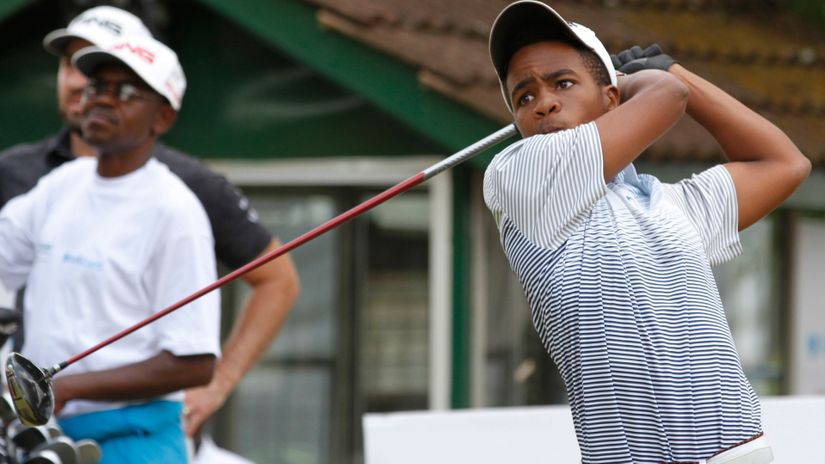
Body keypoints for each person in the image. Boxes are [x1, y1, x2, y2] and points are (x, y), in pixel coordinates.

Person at [483, 1, 811, 463]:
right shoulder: (516, 175)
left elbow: (784, 163)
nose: (545, 104)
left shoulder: (668, 206)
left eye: (563, 83)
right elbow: (667, 97)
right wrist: (651, 75)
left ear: (610, 101)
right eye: (524, 97)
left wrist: (675, 74)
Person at [0, 5, 300, 437]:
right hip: (39, 425)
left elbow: (271, 285)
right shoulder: (45, 181)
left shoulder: (184, 195)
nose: (92, 91)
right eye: (87, 73)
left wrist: (216, 389)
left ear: (162, 115)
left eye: (124, 89)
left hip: (130, 431)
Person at [0, 34, 220, 462]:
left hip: (133, 443)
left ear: (163, 117)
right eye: (97, 87)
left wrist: (66, 388)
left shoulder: (176, 212)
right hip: (45, 438)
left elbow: (195, 363)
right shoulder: (62, 185)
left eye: (124, 92)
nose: (100, 100)